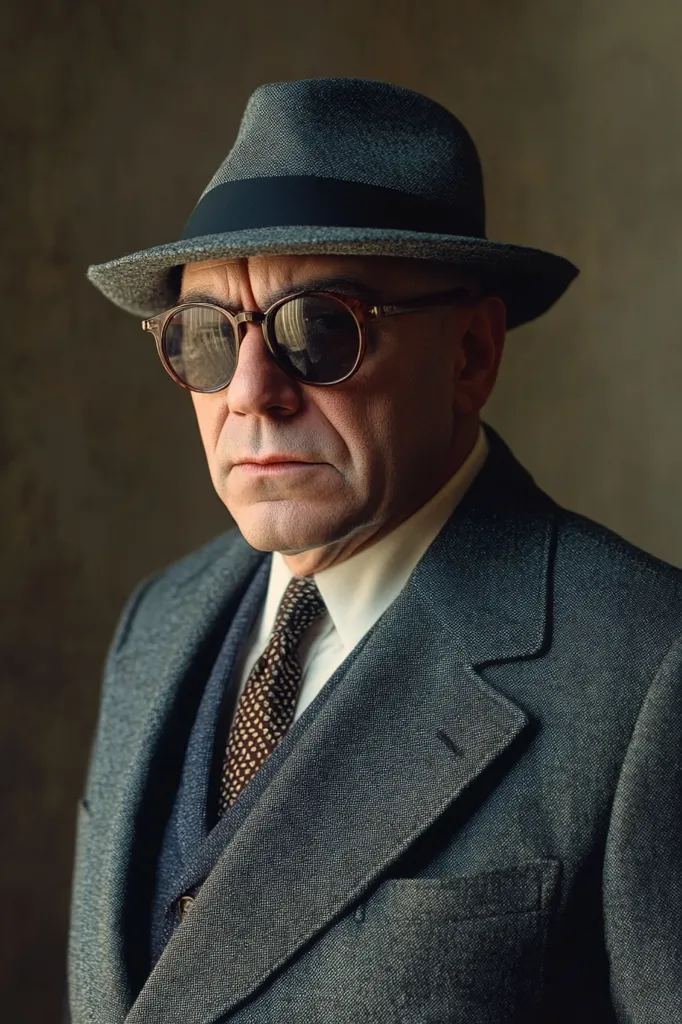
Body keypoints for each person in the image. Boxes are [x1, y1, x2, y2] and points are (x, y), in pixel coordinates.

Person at [67, 77, 682, 1024]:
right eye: (205, 339)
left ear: (471, 354)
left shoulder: (647, 669)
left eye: (318, 329)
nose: (251, 393)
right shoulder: (156, 623)